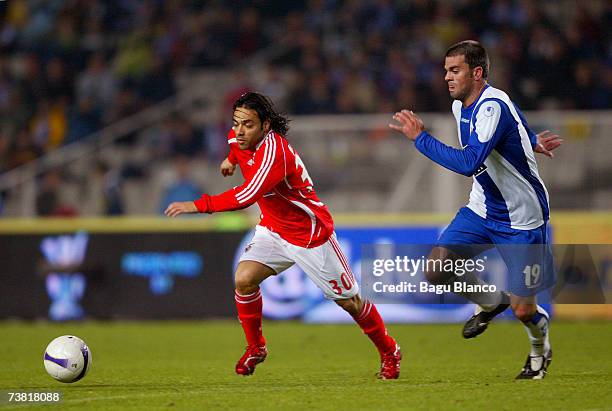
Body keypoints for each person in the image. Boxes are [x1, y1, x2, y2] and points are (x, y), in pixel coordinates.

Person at [165, 92, 401, 379]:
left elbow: (247, 195)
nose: (239, 130)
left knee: (349, 301)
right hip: (273, 229)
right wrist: (230, 161)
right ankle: (256, 347)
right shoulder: (237, 136)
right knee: (244, 278)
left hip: (309, 235)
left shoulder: (275, 153)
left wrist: (198, 205)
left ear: (265, 126)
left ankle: (390, 351)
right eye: (237, 123)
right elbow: (234, 147)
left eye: (248, 125)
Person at [389, 40, 562, 380]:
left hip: (521, 220)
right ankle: (489, 302)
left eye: (454, 71)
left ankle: (539, 350)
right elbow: (515, 115)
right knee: (437, 268)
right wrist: (530, 139)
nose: (447, 78)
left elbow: (469, 162)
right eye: (445, 71)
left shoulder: (491, 105)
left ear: (477, 73)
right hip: (482, 208)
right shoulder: (462, 106)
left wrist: (420, 137)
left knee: (524, 310)